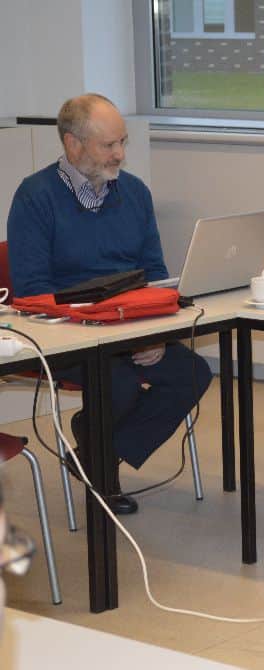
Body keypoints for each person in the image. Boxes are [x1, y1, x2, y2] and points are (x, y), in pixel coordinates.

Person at [6, 93, 212, 515]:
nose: (119, 154)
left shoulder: (134, 193)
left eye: (122, 142)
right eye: (108, 145)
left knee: (193, 373)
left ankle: (95, 452)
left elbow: (154, 275)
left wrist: (154, 334)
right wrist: (98, 328)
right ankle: (102, 470)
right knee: (116, 383)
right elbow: (32, 291)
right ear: (73, 144)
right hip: (66, 335)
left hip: (129, 327)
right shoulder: (35, 197)